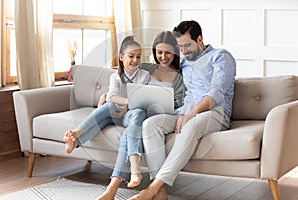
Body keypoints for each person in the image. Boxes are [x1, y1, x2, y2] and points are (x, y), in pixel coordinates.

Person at [130, 20, 236, 200]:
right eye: (180, 47)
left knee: (191, 126)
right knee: (150, 125)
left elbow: (216, 93)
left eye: (187, 45)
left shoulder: (220, 56)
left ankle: (153, 188)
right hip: (184, 112)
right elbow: (154, 68)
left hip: (216, 112)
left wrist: (190, 115)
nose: (184, 51)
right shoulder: (185, 63)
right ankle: (160, 192)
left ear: (200, 39)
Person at [97, 30, 185, 200]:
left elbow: (179, 103)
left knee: (129, 132)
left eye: (168, 52)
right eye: (159, 52)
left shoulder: (179, 76)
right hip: (138, 112)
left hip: (160, 117)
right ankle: (112, 188)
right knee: (130, 130)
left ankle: (112, 188)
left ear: (175, 53)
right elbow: (122, 73)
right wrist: (107, 93)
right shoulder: (146, 67)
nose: (163, 56)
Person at [63, 35, 150, 190]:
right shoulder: (115, 76)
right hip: (114, 112)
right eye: (131, 56)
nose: (135, 60)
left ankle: (135, 169)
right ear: (122, 57)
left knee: (137, 113)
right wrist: (124, 102)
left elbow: (138, 100)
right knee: (108, 107)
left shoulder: (144, 75)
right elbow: (112, 96)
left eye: (138, 57)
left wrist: (125, 106)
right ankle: (76, 135)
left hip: (129, 115)